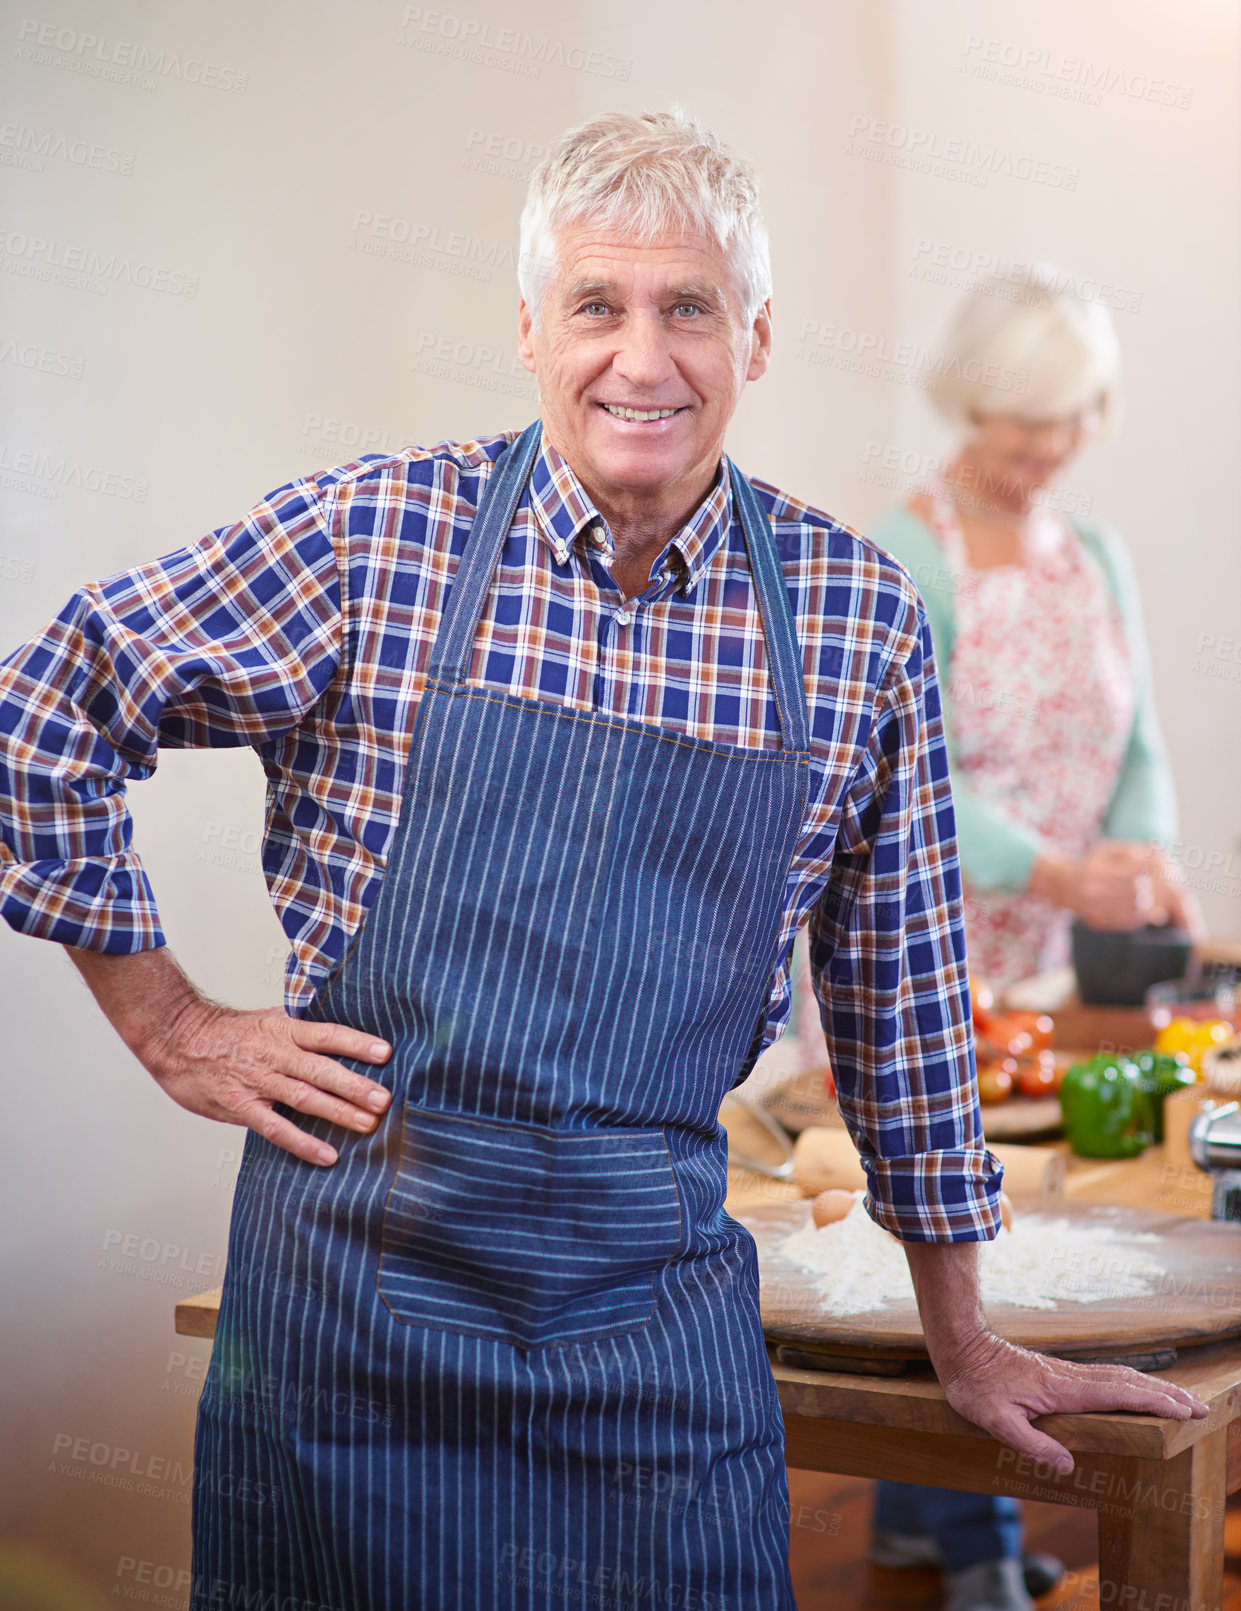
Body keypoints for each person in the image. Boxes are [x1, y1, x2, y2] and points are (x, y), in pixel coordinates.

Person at [0, 115, 1205, 1611]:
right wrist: (171, 1023)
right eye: (596, 306)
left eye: (688, 306)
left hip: (655, 1337)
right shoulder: (377, 538)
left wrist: (959, 1336)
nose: (642, 359)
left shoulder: (848, 621)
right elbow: (44, 702)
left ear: (754, 336)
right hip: (350, 1322)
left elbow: (900, 1003)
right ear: (527, 328)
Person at [867, 267, 1201, 1609]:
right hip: (923, 946)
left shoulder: (1094, 551)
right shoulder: (905, 553)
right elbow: (905, 781)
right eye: (1023, 419)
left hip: (1051, 963)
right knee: (948, 1237)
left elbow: (1137, 744)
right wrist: (1062, 870)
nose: (1048, 446)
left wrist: (1143, 853)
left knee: (1027, 1236)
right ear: (970, 402)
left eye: (1070, 417)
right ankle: (974, 1553)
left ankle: (914, 1512)